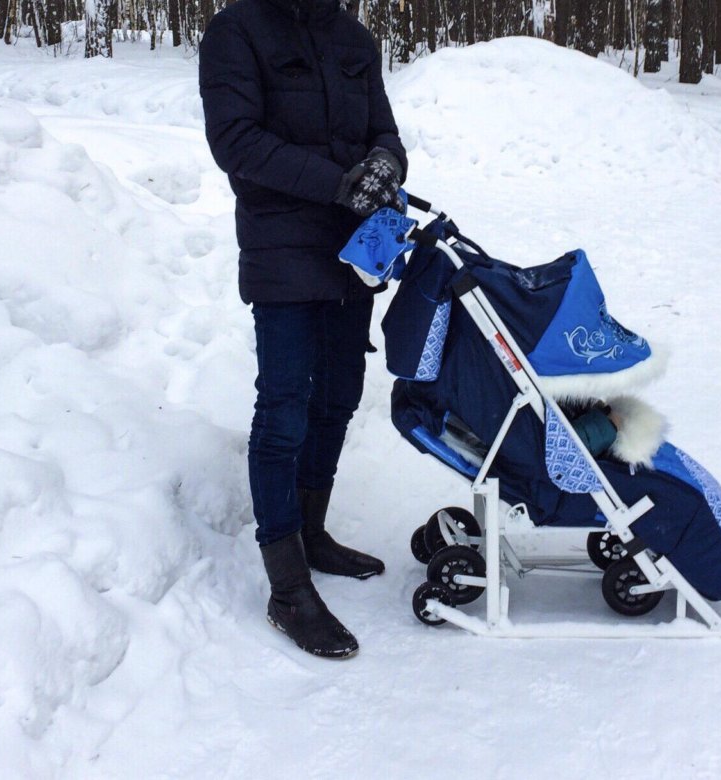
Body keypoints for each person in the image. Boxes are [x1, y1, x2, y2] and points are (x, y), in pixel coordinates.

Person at [199, 0, 407, 659]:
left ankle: (311, 533)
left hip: (354, 249)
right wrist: (339, 183)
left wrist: (383, 168)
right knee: (285, 406)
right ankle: (287, 589)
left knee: (338, 396)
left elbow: (385, 133)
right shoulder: (238, 30)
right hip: (282, 245)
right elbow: (236, 140)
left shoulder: (352, 36)